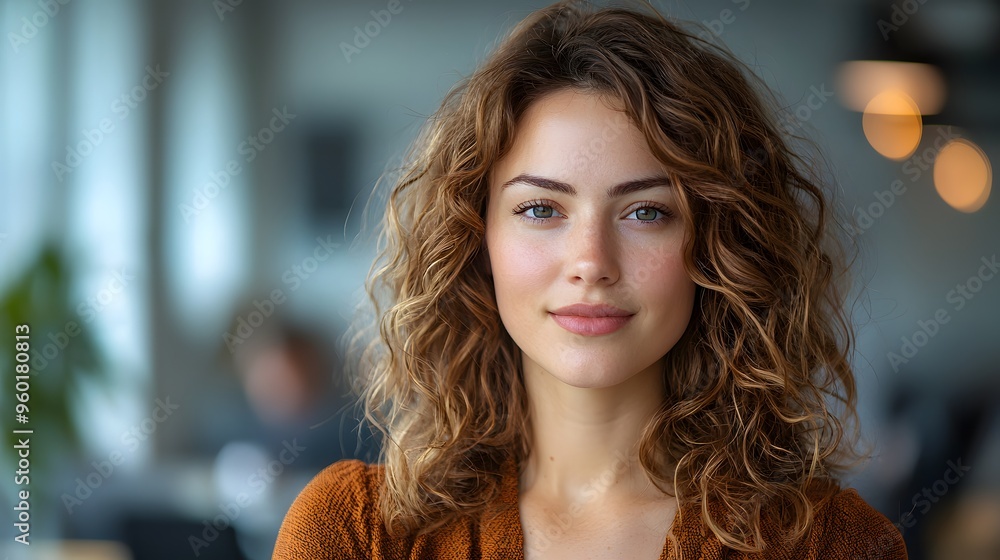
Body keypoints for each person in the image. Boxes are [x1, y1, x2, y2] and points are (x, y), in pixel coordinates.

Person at [273, 1, 908, 558]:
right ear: (477, 238)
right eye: (541, 209)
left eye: (646, 212)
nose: (591, 261)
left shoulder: (833, 544)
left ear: (717, 247)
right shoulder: (354, 533)